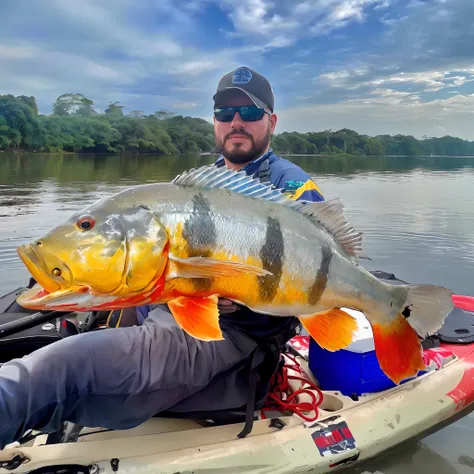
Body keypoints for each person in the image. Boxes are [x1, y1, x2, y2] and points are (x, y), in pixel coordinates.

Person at [0, 66, 324, 449]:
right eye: (225, 113)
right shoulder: (202, 179)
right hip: (171, 307)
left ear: (271, 121)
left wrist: (236, 298)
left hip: (228, 336)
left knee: (57, 370)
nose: (236, 122)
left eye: (250, 113)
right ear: (215, 121)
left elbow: (311, 279)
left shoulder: (294, 189)